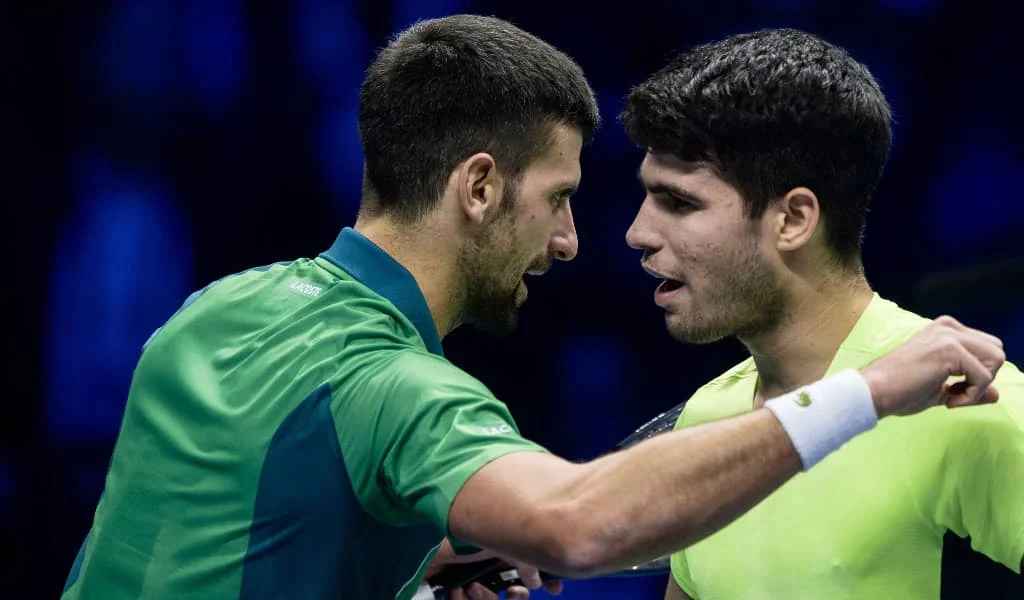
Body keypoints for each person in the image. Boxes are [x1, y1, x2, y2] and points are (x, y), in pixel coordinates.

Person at [61, 15, 1005, 600]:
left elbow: (237, 545)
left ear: (797, 217)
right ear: (478, 188)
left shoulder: (217, 310)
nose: (579, 241)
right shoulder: (396, 387)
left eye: (675, 201)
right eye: (560, 198)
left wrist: (400, 574)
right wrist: (869, 393)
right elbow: (580, 523)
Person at [619, 27, 1024, 600]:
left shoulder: (967, 400)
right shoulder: (706, 417)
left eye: (680, 202)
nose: (638, 233)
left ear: (793, 220)